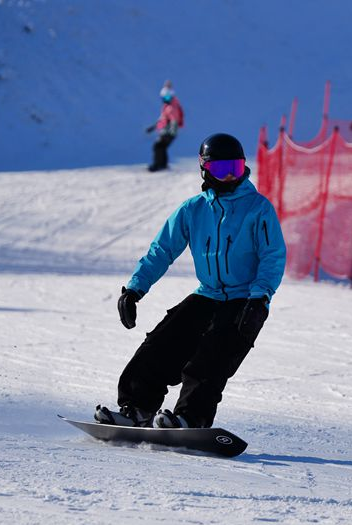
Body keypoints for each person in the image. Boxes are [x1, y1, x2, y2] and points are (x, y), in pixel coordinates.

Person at [95, 133, 287, 428]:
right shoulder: (193, 209)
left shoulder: (258, 209)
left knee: (211, 358)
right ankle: (137, 408)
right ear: (205, 169)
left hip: (245, 299)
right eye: (220, 170)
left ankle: (190, 417)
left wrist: (259, 299)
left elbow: (272, 256)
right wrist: (134, 289)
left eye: (234, 169)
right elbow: (162, 250)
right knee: (160, 345)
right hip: (207, 294)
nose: (228, 177)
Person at [146, 80, 185, 172]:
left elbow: (174, 120)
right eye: (164, 97)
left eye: (168, 97)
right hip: (166, 131)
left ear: (171, 96)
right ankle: (162, 164)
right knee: (161, 147)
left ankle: (158, 165)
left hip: (169, 132)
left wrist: (171, 132)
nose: (166, 99)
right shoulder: (167, 106)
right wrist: (153, 127)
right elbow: (162, 118)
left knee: (158, 146)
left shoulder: (171, 107)